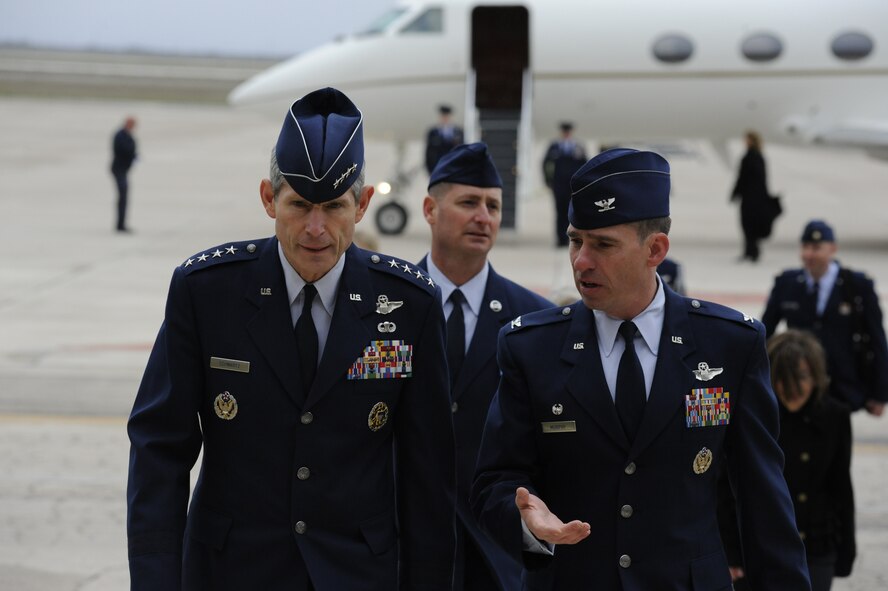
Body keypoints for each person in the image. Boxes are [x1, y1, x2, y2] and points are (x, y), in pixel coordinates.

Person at [126, 87, 456, 590]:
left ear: (363, 204)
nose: (316, 228)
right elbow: (159, 451)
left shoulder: (409, 304)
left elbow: (427, 476)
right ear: (268, 198)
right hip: (230, 574)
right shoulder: (208, 292)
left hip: (356, 574)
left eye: (334, 206)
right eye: (299, 204)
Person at [471, 148, 811, 590]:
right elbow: (495, 480)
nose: (581, 260)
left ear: (655, 249)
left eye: (603, 244)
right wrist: (525, 518)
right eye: (575, 240)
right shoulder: (531, 348)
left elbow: (764, 501)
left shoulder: (728, 344)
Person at [418, 142, 553, 590]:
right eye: (468, 203)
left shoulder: (532, 320)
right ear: (430, 209)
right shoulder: (389, 303)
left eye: (493, 206)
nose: (483, 217)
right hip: (403, 547)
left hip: (497, 554)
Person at [722, 330, 855, 591]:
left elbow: (841, 485)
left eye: (802, 377)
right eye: (784, 378)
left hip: (816, 543)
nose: (794, 388)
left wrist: (846, 548)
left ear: (817, 376)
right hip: (758, 546)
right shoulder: (751, 415)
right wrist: (731, 552)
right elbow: (725, 489)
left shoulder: (835, 416)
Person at [761, 219, 888, 415]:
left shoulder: (856, 286)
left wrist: (880, 393)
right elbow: (765, 332)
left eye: (816, 248)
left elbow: (877, 339)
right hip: (800, 383)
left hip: (843, 387)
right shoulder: (786, 284)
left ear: (832, 249)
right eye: (805, 247)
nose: (808, 254)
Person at [542, 122, 587, 247]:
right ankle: (560, 239)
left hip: (572, 186)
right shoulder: (555, 146)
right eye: (564, 132)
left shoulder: (578, 147)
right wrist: (548, 180)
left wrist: (582, 182)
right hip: (558, 185)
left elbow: (585, 164)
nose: (566, 134)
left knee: (570, 212)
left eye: (568, 132)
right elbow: (545, 163)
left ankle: (569, 238)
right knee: (559, 212)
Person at [730, 130, 772, 262]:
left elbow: (743, 178)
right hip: (755, 197)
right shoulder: (758, 157)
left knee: (749, 225)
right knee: (749, 225)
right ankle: (750, 251)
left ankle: (752, 252)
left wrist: (735, 193)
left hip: (751, 198)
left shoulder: (751, 157)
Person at [111, 116, 137, 233]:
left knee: (124, 197)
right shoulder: (120, 135)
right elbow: (123, 150)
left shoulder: (127, 135)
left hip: (123, 169)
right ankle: (120, 225)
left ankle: (121, 224)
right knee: (123, 196)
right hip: (119, 169)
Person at [425, 104, 464, 174]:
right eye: (443, 116)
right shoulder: (433, 132)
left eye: (447, 116)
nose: (445, 119)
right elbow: (429, 153)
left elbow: (462, 150)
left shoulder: (458, 132)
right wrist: (431, 170)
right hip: (438, 167)